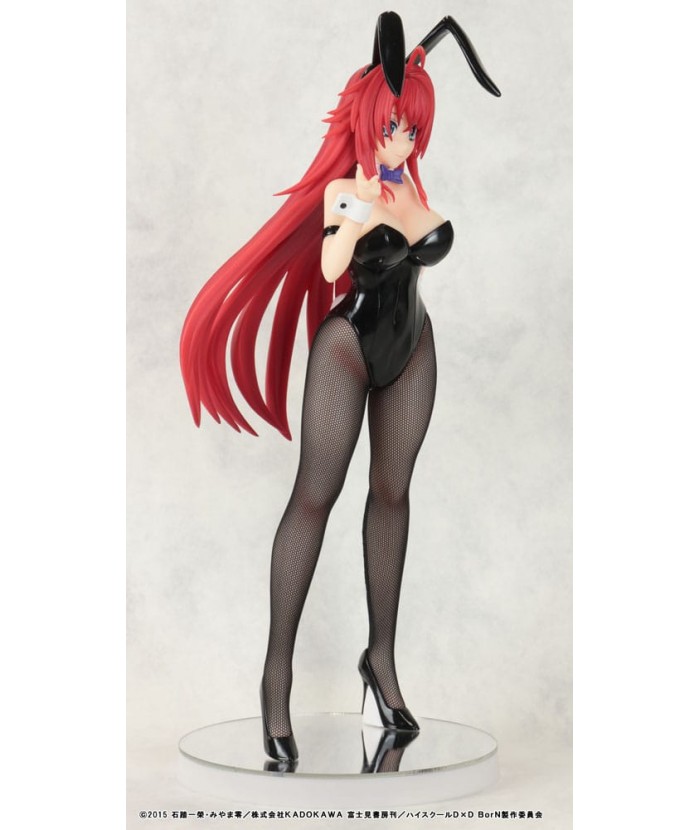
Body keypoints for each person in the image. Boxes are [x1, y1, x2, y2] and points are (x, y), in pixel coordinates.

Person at [180, 12, 500, 765]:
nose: (402, 141)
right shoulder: (348, 193)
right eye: (391, 127)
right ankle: (276, 679)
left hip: (413, 347)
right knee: (314, 498)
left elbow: (420, 228)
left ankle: (380, 662)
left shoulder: (410, 186)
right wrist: (359, 210)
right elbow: (330, 269)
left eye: (412, 130)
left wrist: (395, 189)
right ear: (366, 123)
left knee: (393, 494)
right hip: (348, 347)